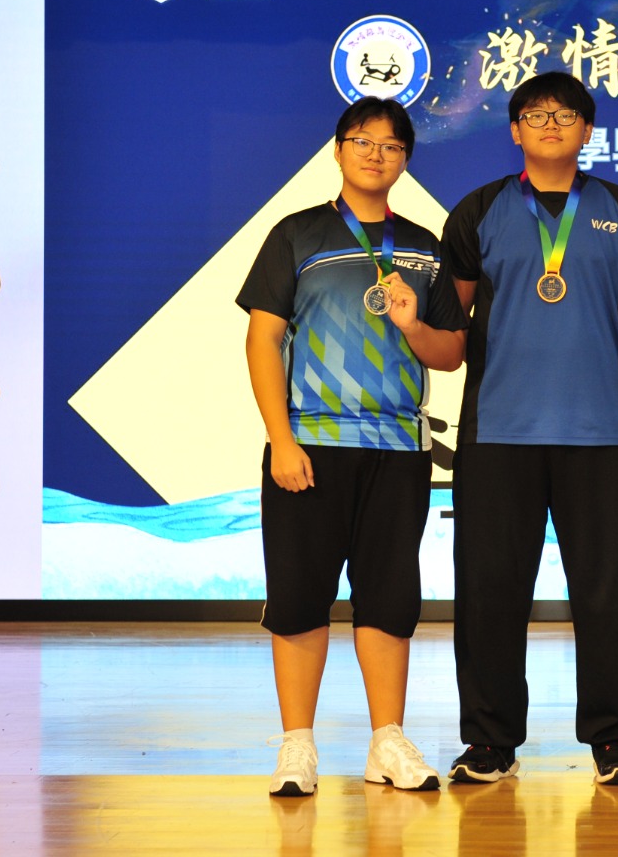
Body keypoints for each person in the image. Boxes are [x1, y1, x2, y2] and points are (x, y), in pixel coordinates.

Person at [238, 97, 468, 797]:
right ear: (339, 150)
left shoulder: (424, 247)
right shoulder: (297, 234)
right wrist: (281, 439)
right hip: (310, 444)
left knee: (389, 598)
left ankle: (386, 742)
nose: (376, 155)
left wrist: (412, 325)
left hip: (398, 449)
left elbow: (450, 353)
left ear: (405, 159)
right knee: (300, 596)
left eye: (392, 146)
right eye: (363, 141)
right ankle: (297, 747)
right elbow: (262, 340)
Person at [442, 70, 618, 785]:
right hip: (498, 434)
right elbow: (453, 322)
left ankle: (613, 739)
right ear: (515, 131)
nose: (551, 125)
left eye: (566, 115)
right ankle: (490, 740)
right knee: (490, 592)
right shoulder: (479, 211)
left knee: (605, 592)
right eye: (535, 115)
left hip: (599, 432)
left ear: (588, 130)